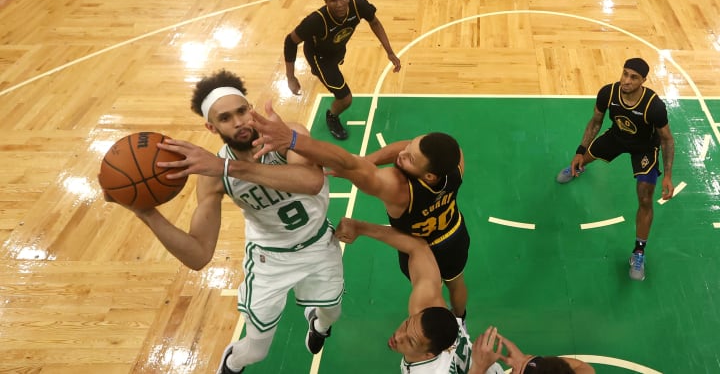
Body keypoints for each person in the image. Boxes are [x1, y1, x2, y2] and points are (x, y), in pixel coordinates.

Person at [103, 69, 344, 374]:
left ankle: (317, 322)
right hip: (271, 259)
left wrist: (227, 167)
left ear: (251, 108)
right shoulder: (213, 179)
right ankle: (232, 362)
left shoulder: (287, 135)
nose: (239, 122)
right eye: (225, 118)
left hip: (319, 244)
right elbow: (198, 255)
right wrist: (147, 213)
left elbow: (310, 182)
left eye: (242, 110)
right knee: (255, 350)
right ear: (211, 126)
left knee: (331, 313)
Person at [249, 102, 471, 322]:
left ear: (429, 176)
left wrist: (292, 140)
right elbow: (405, 147)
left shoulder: (398, 188)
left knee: (428, 305)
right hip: (453, 235)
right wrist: (372, 160)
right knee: (457, 282)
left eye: (410, 158)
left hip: (416, 248)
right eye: (409, 147)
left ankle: (443, 340)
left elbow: (349, 164)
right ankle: (460, 320)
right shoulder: (455, 161)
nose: (402, 154)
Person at [334, 217, 595, 374]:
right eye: (406, 327)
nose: (397, 335)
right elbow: (418, 248)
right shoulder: (428, 316)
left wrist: (479, 368)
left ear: (428, 355)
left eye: (410, 341)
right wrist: (529, 362)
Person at [555, 58, 675, 281]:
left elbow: (667, 140)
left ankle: (638, 252)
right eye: (625, 73)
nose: (626, 80)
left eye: (633, 77)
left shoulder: (654, 106)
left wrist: (667, 175)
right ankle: (579, 167)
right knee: (585, 158)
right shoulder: (608, 93)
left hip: (645, 149)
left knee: (645, 198)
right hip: (617, 137)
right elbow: (595, 122)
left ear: (643, 81)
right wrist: (580, 150)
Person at [284, 0, 401, 140]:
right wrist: (290, 77)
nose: (339, 4)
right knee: (345, 99)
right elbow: (289, 41)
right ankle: (332, 116)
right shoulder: (316, 21)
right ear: (325, 1)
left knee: (336, 70)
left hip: (338, 50)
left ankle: (331, 71)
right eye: (333, 0)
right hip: (319, 57)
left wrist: (390, 52)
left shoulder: (358, 5)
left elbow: (375, 23)